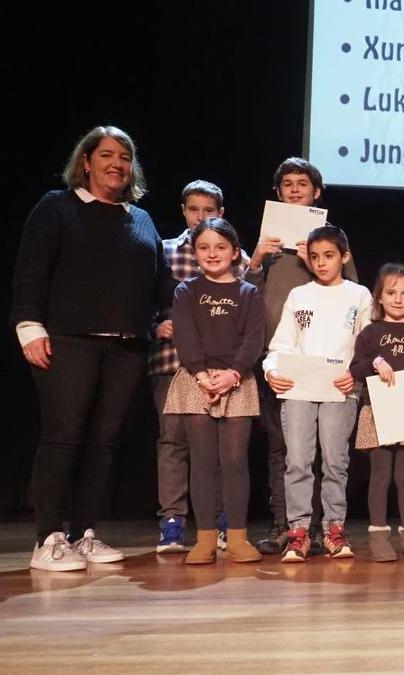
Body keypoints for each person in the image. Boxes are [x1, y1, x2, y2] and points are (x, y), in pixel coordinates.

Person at [11, 125, 172, 572]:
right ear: (85, 162)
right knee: (63, 439)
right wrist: (28, 326)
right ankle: (47, 539)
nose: (117, 163)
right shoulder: (56, 207)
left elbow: (159, 281)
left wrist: (167, 318)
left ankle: (83, 533)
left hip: (126, 347)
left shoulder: (140, 219)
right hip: (68, 341)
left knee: (103, 444)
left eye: (124, 156)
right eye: (106, 154)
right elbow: (31, 270)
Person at [250, 157, 355, 555]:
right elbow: (245, 294)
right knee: (286, 449)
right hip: (280, 360)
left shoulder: (332, 242)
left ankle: (327, 528)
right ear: (277, 193)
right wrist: (257, 259)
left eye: (303, 184)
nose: (295, 190)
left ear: (317, 193)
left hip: (328, 369)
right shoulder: (267, 244)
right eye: (287, 184)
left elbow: (354, 301)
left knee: (329, 454)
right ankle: (287, 526)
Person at [149, 180, 254, 553]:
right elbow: (141, 301)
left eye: (208, 210)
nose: (200, 217)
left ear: (220, 214)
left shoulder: (240, 263)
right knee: (174, 443)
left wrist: (234, 370)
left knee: (229, 453)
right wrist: (154, 326)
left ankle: (226, 524)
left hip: (230, 372)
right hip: (176, 365)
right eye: (193, 209)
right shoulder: (164, 252)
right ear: (183, 210)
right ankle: (174, 523)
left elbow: (252, 319)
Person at [263, 225, 371, 562]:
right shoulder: (299, 296)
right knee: (297, 461)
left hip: (340, 388)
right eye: (314, 257)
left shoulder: (359, 295)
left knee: (335, 461)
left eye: (328, 256)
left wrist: (354, 374)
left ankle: (333, 529)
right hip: (299, 387)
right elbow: (281, 344)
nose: (321, 263)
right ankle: (299, 532)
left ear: (344, 257)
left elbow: (365, 344)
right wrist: (272, 371)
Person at [163, 218, 265, 564]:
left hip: (237, 381)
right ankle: (205, 539)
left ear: (235, 252)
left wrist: (233, 374)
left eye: (220, 247)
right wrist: (202, 374)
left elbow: (254, 339)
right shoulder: (186, 291)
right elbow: (185, 336)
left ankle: (236, 537)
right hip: (198, 381)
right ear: (195, 252)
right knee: (203, 462)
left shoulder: (248, 292)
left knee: (235, 462)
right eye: (204, 247)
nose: (212, 253)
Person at [349, 264, 404, 562]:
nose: (398, 299)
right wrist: (376, 363)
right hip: (378, 410)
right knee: (381, 475)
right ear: (380, 297)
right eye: (391, 293)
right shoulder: (371, 333)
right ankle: (378, 537)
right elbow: (355, 367)